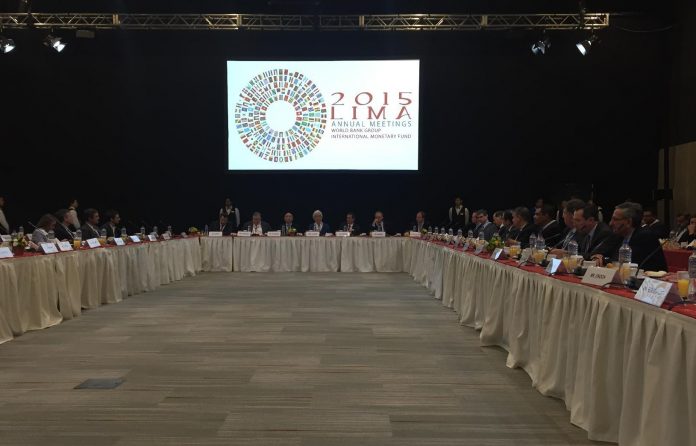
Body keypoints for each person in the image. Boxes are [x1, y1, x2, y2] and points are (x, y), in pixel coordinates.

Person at [591, 202, 668, 272]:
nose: (610, 223)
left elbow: (625, 263)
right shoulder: (618, 235)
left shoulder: (645, 236)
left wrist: (604, 259)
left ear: (628, 222)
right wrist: (597, 257)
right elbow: (596, 252)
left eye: (615, 219)